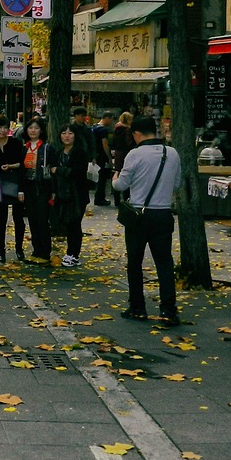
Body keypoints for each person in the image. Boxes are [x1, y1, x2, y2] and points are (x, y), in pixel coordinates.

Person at [113, 115, 182, 324]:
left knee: (134, 262)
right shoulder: (172, 153)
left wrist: (114, 178)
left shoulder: (134, 155)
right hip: (163, 214)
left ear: (136, 134)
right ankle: (168, 310)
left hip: (138, 215)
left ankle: (137, 307)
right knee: (164, 263)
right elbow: (176, 184)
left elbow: (121, 186)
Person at [48, 123, 90, 266]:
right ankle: (69, 252)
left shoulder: (80, 152)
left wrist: (58, 170)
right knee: (67, 223)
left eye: (70, 133)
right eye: (64, 133)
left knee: (75, 224)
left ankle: (73, 254)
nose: (67, 136)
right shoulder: (59, 152)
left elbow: (78, 172)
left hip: (77, 195)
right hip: (62, 194)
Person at [19, 117, 53, 264]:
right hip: (28, 187)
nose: (33, 130)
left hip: (42, 188)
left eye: (36, 128)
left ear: (41, 131)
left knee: (42, 220)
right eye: (30, 127)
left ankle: (45, 253)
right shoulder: (24, 148)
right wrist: (21, 190)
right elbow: (20, 171)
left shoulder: (46, 148)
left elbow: (52, 171)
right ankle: (36, 251)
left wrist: (53, 191)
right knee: (32, 219)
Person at [0, 116, 25, 263]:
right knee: (1, 218)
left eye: (5, 127)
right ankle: (1, 251)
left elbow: (23, 164)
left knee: (19, 219)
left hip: (15, 183)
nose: (2, 130)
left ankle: (19, 249)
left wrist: (11, 166)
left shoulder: (16, 143)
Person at [110, 112, 135, 206]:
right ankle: (126, 198)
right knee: (127, 175)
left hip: (118, 154)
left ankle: (116, 199)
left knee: (117, 174)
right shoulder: (127, 130)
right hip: (126, 153)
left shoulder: (116, 129)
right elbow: (128, 143)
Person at [92, 111, 115, 206]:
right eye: (111, 119)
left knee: (98, 177)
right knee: (102, 177)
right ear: (107, 118)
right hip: (101, 156)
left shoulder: (93, 127)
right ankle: (100, 198)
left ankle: (99, 197)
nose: (111, 122)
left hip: (95, 154)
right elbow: (105, 144)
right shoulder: (103, 130)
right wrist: (109, 157)